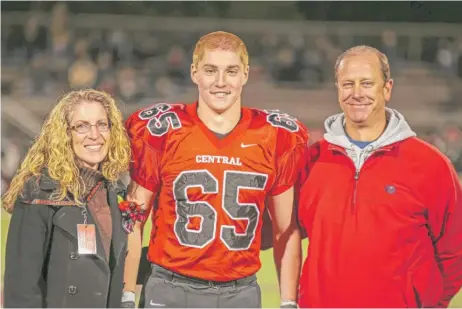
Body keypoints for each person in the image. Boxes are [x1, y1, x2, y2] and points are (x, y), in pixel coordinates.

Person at [121, 31, 309, 308]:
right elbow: (133, 221)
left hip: (240, 291)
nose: (221, 82)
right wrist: (126, 295)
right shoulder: (162, 130)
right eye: (211, 70)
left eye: (231, 71)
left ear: (245, 74)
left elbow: (285, 229)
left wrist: (289, 302)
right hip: (170, 287)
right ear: (194, 72)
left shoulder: (275, 135)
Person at [297, 45, 462, 308]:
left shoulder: (431, 164)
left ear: (387, 89)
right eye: (348, 84)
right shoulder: (310, 160)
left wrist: (432, 303)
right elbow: (283, 233)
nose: (357, 93)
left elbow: (454, 251)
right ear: (338, 89)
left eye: (367, 83)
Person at [2, 89, 132, 308]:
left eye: (102, 124)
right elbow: (21, 287)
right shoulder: (40, 191)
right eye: (81, 126)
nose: (94, 135)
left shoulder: (114, 192)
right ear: (65, 134)